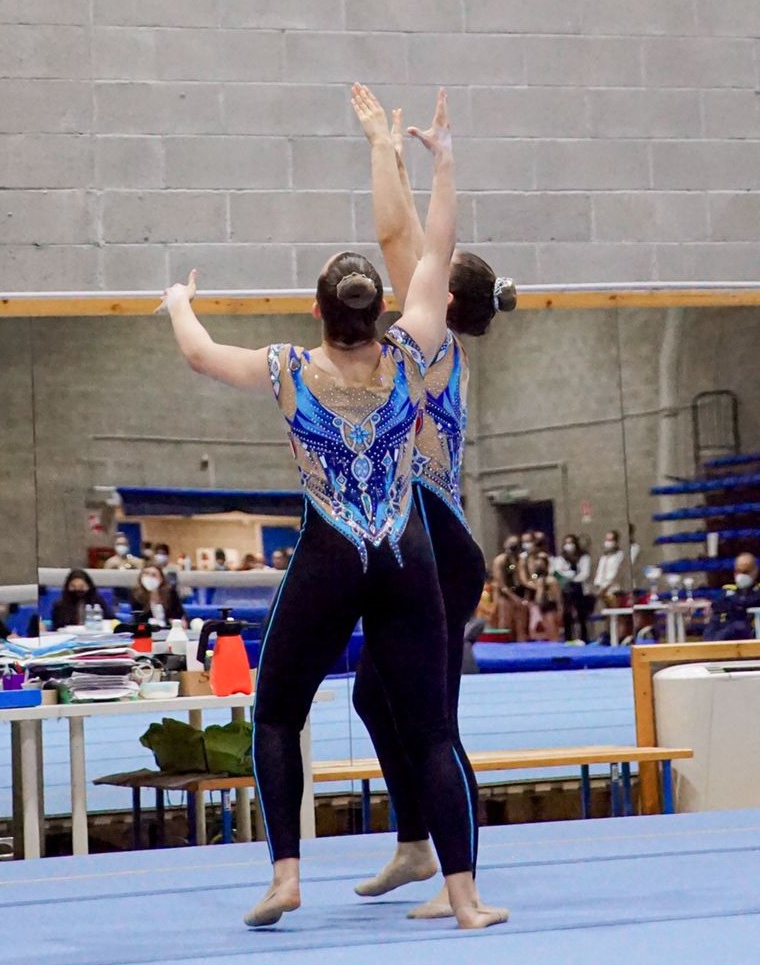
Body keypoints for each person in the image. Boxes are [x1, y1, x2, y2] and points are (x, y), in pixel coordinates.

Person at [161, 91, 505, 931]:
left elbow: (204, 355)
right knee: (423, 723)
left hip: (338, 549)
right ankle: (461, 893)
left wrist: (176, 299)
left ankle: (287, 874)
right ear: (380, 309)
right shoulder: (413, 352)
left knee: (280, 709)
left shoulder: (286, 369)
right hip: (402, 547)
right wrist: (435, 157)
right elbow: (431, 252)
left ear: (317, 312)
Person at [347, 81, 517, 915]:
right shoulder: (426, 328)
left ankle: (458, 868)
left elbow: (398, 235)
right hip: (404, 539)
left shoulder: (433, 336)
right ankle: (417, 844)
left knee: (429, 712)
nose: (404, 271)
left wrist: (390, 150)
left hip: (437, 546)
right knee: (372, 694)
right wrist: (392, 155)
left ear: (444, 291)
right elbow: (401, 235)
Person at [702, 553, 760, 642]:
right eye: (738, 571)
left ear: (755, 571)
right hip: (723, 629)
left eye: (746, 572)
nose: (741, 575)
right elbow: (717, 604)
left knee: (739, 627)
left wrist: (736, 602)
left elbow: (752, 601)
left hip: (747, 630)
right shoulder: (727, 589)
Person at [553, 535, 592, 642]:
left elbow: (585, 573)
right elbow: (557, 573)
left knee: (581, 614)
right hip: (566, 588)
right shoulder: (560, 558)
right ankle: (568, 637)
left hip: (580, 588)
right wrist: (567, 577)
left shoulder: (584, 557)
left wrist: (573, 578)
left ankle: (584, 637)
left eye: (571, 543)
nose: (569, 546)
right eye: (566, 543)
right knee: (567, 613)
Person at [491, 536, 530, 642]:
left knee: (521, 626)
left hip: (518, 592)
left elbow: (523, 580)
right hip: (505, 595)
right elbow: (501, 584)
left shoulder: (520, 560)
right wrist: (514, 598)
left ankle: (523, 649)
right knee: (505, 624)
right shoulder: (500, 560)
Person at [49, 569, 116, 631]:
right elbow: (56, 627)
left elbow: (110, 619)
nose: (77, 590)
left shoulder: (98, 602)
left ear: (88, 586)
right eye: (73, 587)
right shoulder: (59, 605)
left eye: (81, 586)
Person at [131, 560, 186, 631]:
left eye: (153, 575)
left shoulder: (171, 593)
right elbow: (138, 620)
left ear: (161, 579)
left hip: (170, 631)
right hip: (148, 632)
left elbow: (179, 615)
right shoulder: (136, 595)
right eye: (146, 573)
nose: (149, 577)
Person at [527, 554, 563, 641]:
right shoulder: (537, 580)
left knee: (553, 631)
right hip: (541, 607)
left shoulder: (551, 580)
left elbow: (558, 597)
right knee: (547, 631)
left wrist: (560, 611)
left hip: (550, 607)